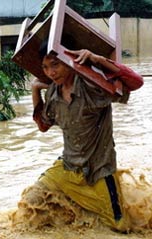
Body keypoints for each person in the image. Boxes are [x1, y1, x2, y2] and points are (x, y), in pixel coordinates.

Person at [30, 42, 144, 232]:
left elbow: (136, 82)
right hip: (68, 166)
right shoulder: (53, 93)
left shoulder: (93, 86)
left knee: (120, 228)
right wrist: (35, 90)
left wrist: (96, 59)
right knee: (32, 202)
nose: (50, 72)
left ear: (68, 61)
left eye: (55, 64)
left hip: (98, 170)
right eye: (45, 67)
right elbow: (43, 126)